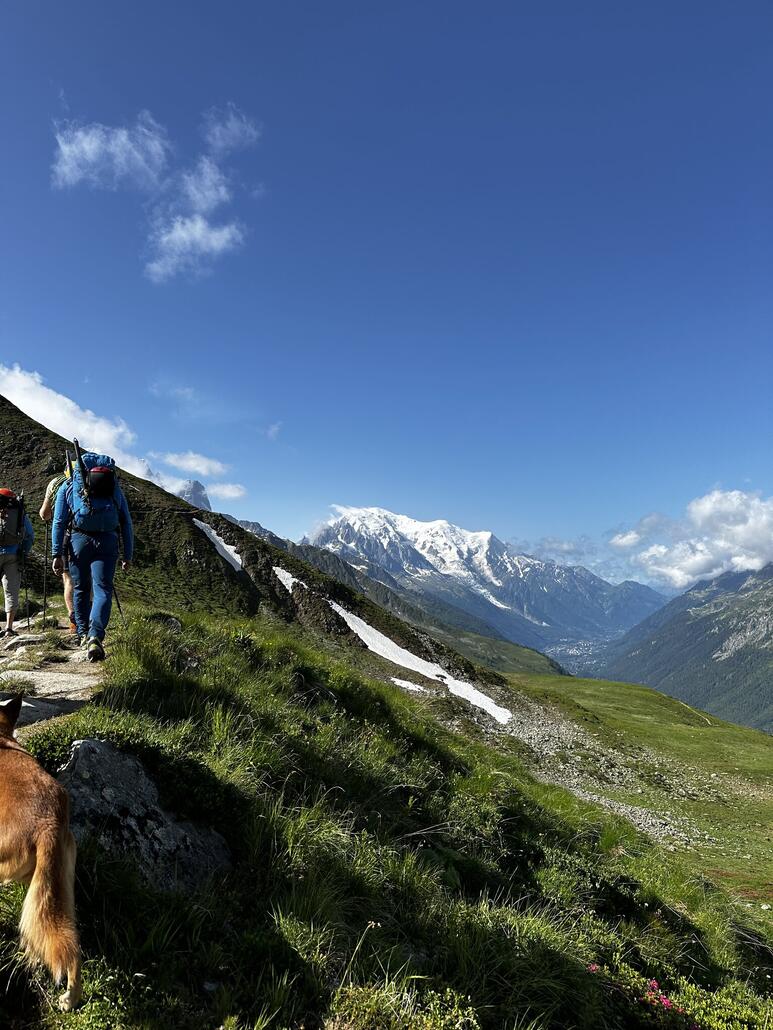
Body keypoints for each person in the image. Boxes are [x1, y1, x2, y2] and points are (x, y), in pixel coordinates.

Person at [51, 461, 133, 661]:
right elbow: (126, 523)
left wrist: (56, 554)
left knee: (81, 588)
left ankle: (82, 634)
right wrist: (128, 555)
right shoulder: (114, 488)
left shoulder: (69, 486)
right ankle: (95, 635)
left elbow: (59, 521)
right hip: (108, 540)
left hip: (79, 541)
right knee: (103, 589)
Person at [39, 467, 77, 634]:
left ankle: (74, 621)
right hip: (94, 535)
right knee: (89, 578)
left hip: (66, 535)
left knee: (68, 579)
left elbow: (44, 514)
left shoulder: (56, 483)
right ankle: (89, 618)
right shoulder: (91, 481)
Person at [0, 489, 34, 638]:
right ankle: (9, 627)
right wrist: (23, 552)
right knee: (11, 590)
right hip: (13, 554)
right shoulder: (19, 512)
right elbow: (30, 535)